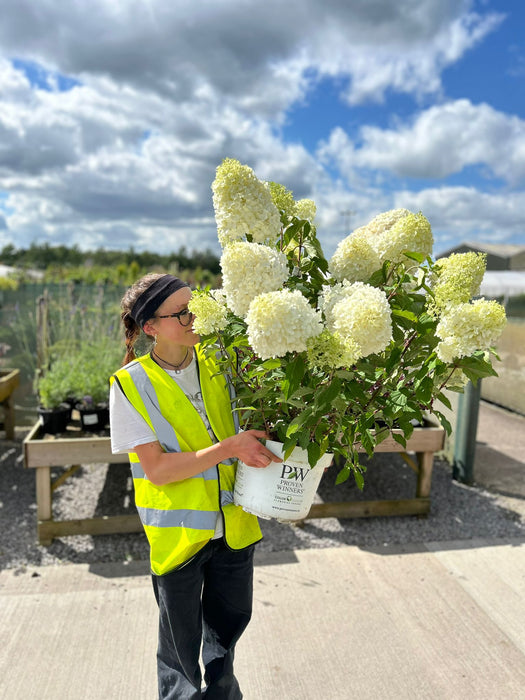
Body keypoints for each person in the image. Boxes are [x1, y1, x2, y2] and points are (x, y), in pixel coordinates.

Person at [109, 272, 281, 700]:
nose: (194, 317)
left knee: (225, 644)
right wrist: (229, 448)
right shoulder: (130, 384)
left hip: (235, 528)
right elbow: (158, 470)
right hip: (180, 539)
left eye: (196, 306)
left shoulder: (224, 361)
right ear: (150, 327)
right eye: (181, 312)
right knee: (180, 660)